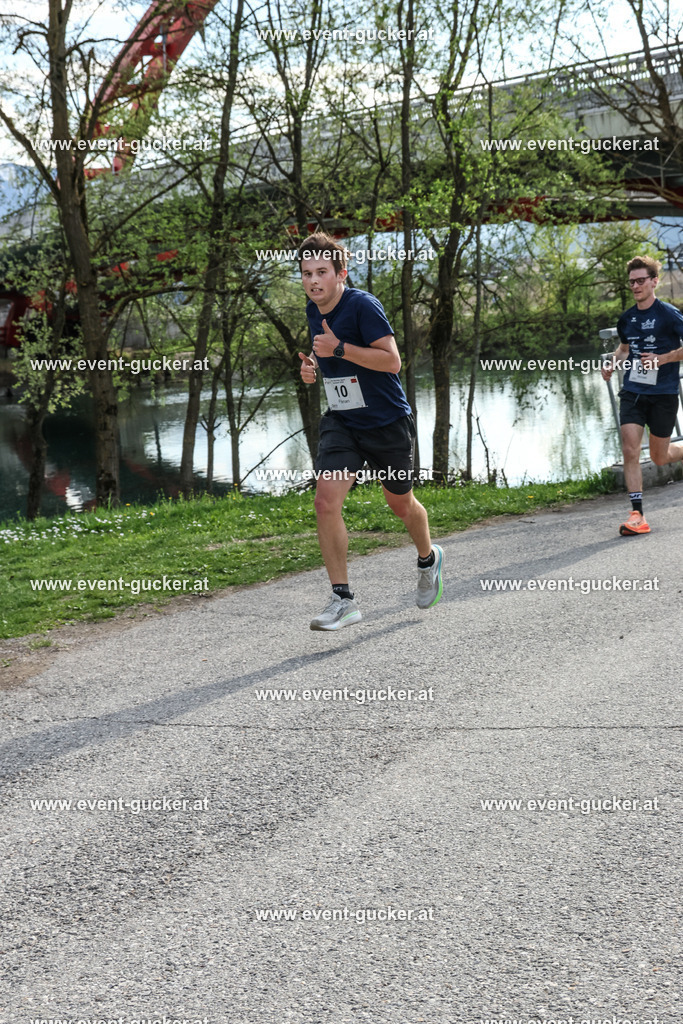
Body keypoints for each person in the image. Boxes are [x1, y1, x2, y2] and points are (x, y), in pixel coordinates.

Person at [296, 232, 443, 630]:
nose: (314, 281)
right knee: (325, 502)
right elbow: (325, 350)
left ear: (341, 273)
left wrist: (339, 349)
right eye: (307, 273)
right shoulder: (313, 309)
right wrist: (312, 366)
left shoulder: (363, 305)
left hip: (385, 422)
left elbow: (392, 362)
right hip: (343, 420)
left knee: (401, 504)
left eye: (322, 272)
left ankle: (428, 559)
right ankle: (342, 599)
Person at [601, 255, 683, 535]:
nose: (635, 286)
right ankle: (637, 515)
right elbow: (625, 349)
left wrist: (663, 358)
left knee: (660, 457)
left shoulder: (669, 315)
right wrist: (612, 363)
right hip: (634, 391)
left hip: (663, 394)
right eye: (631, 282)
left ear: (654, 281)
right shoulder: (627, 319)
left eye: (640, 281)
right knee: (630, 449)